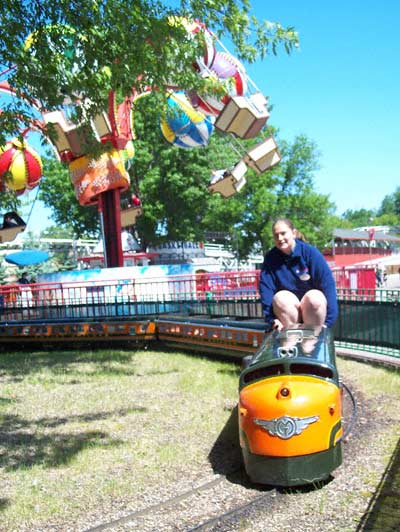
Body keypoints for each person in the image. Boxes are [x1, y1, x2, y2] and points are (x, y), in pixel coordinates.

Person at [259, 218, 338, 332]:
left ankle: (311, 343)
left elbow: (328, 284)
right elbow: (265, 288)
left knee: (314, 297)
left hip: (312, 313)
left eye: (283, 233)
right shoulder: (271, 258)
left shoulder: (310, 253)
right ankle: (290, 341)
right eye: (276, 235)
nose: (280, 238)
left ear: (293, 233)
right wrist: (271, 319)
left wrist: (329, 321)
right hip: (288, 314)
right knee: (281, 298)